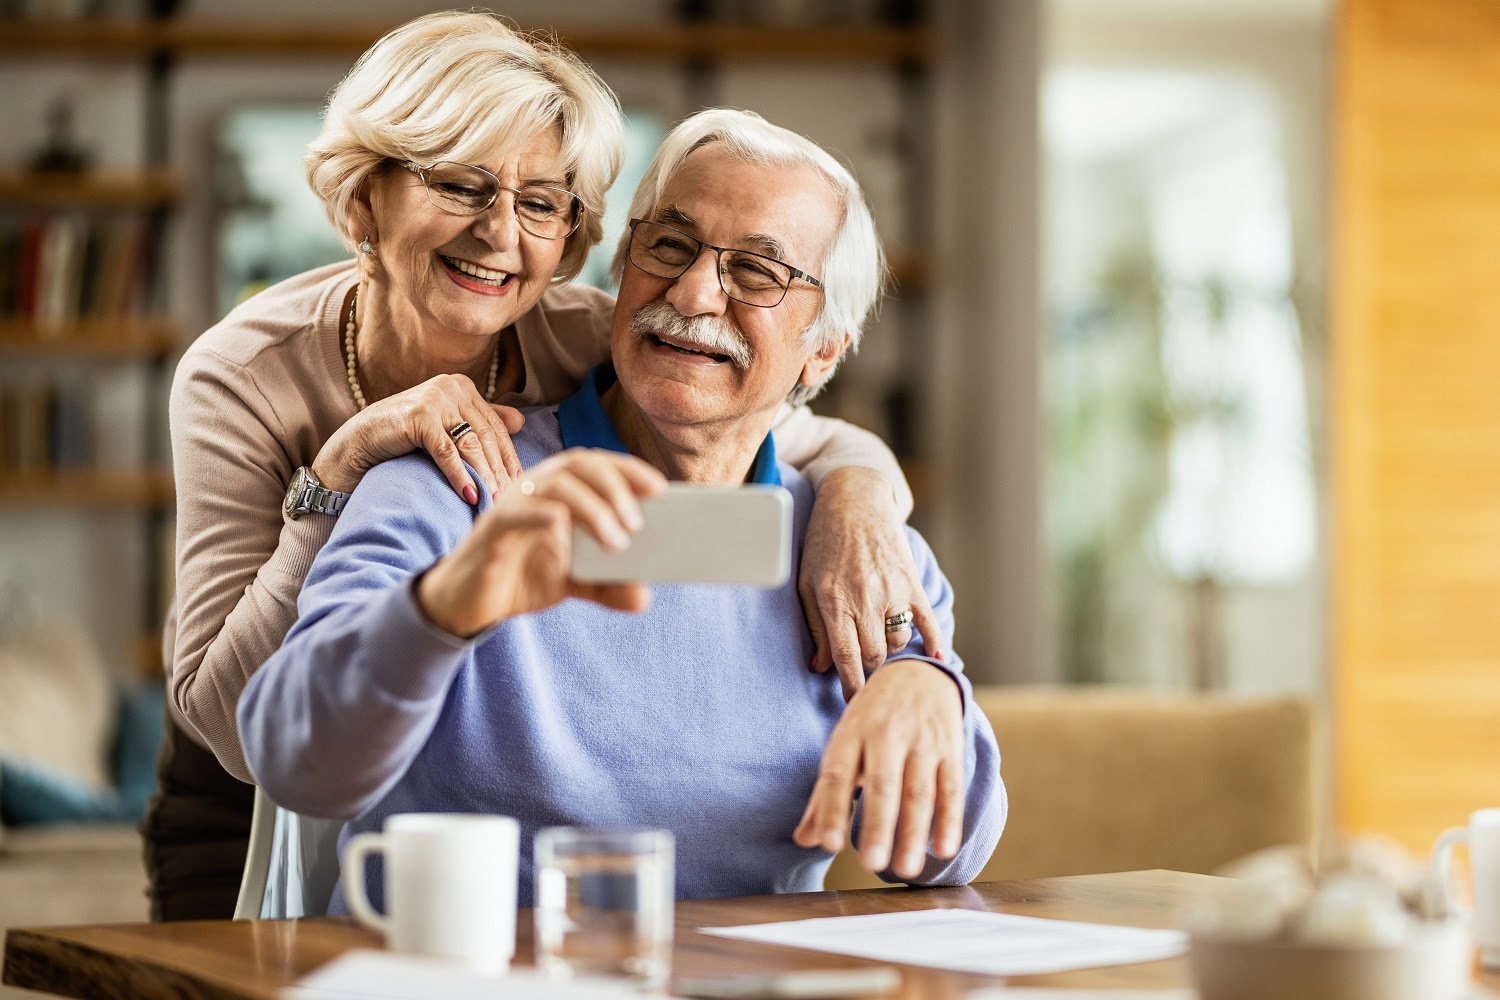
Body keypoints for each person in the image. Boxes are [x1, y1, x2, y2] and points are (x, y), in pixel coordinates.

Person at [145, 12, 941, 920]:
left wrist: (864, 510)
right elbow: (238, 733)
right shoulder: (242, 372)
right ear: (365, 197)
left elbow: (773, 424)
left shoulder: (589, 332)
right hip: (240, 751)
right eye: (460, 184)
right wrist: (343, 464)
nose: (499, 235)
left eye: (540, 203)